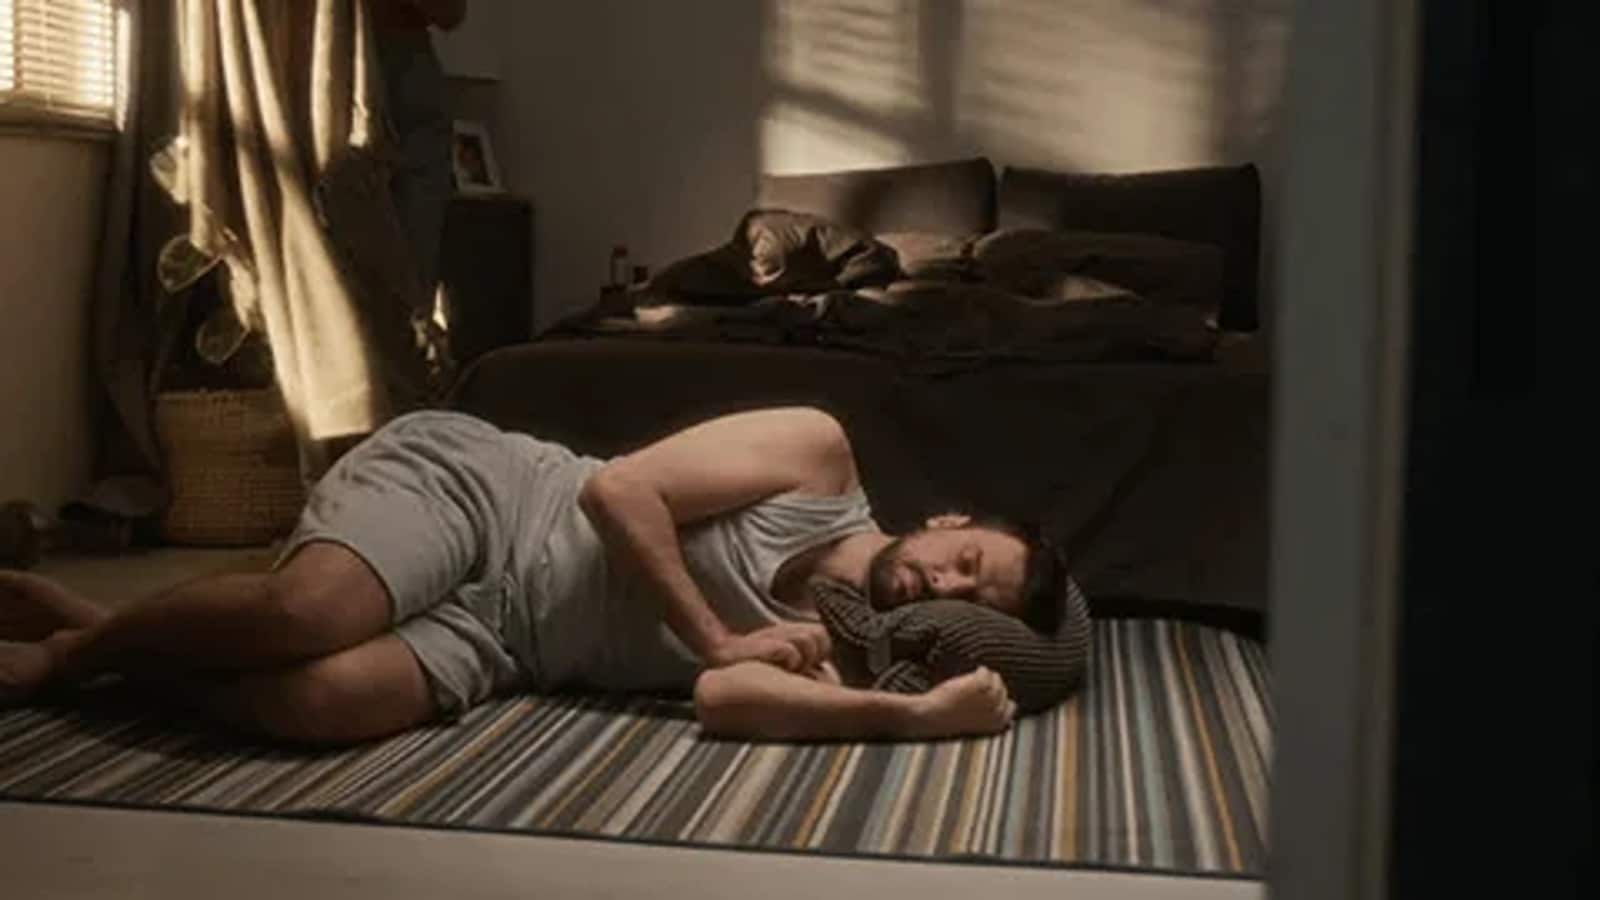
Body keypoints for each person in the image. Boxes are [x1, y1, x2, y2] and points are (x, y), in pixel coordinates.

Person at [0, 408, 1074, 746]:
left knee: (307, 701)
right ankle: (72, 655)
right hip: (492, 499)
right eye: (965, 559)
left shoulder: (854, 643)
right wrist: (718, 630)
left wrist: (918, 719)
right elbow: (620, 496)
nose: (940, 582)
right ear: (945, 519)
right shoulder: (817, 454)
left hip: (509, 642)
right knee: (306, 611)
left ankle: (94, 629)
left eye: (963, 601)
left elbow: (723, 696)